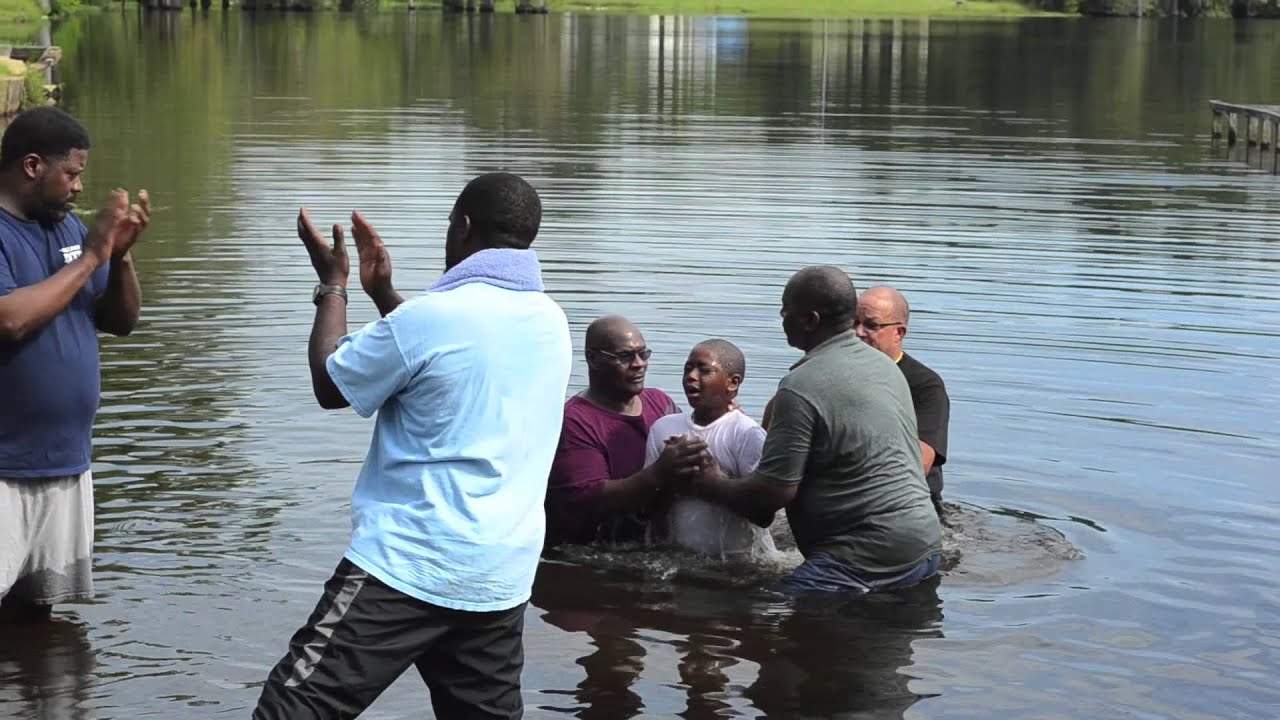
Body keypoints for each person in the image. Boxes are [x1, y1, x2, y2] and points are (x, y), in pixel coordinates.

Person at [251, 173, 573, 720]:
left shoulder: (432, 317)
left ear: (464, 229)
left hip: (409, 564)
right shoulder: (551, 320)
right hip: (497, 577)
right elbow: (443, 359)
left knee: (291, 709)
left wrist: (335, 285)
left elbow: (332, 383)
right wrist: (385, 295)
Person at [688, 266, 942, 594]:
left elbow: (768, 499)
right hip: (926, 548)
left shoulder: (801, 385)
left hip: (860, 560)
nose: (781, 320)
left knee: (757, 622)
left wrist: (710, 482)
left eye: (785, 312)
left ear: (810, 320)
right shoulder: (886, 368)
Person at [0, 107, 150, 623]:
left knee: (39, 622)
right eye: (72, 173)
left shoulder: (68, 229)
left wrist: (120, 256)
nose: (80, 188)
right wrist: (91, 255)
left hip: (64, 463)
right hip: (4, 469)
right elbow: (9, 321)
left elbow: (122, 321)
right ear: (33, 166)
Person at [544, 315, 708, 546]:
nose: (639, 363)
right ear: (592, 359)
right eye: (625, 356)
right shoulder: (575, 421)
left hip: (655, 538)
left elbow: (696, 436)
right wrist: (659, 472)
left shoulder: (659, 402)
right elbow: (587, 501)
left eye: (643, 353)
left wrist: (722, 418)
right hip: (598, 553)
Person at [644, 339, 776, 557]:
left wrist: (715, 482)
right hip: (679, 558)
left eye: (704, 370)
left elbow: (763, 514)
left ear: (732, 383)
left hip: (739, 562)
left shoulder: (746, 434)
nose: (691, 376)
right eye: (688, 368)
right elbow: (649, 508)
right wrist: (666, 476)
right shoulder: (664, 428)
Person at [856, 286, 951, 517]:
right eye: (853, 323)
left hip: (911, 508)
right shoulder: (835, 374)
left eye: (871, 325)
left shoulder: (925, 386)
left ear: (899, 332)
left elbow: (919, 464)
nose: (858, 332)